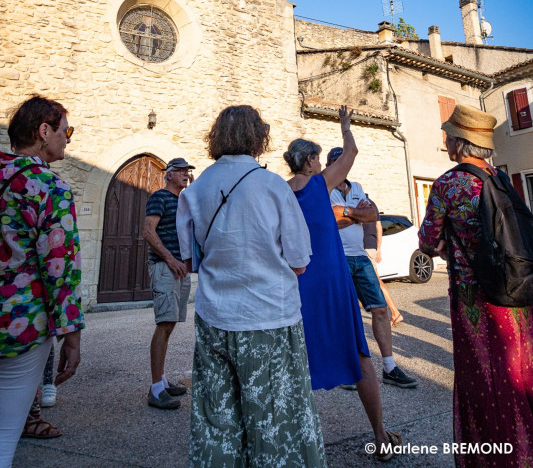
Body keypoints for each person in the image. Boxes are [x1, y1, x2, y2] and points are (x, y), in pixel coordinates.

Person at [177, 105, 326, 468]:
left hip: (215, 318)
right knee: (276, 420)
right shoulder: (272, 186)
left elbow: (189, 259)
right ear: (258, 138)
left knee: (216, 418)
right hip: (269, 318)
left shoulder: (194, 192)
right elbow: (300, 259)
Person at [419, 104, 533, 468]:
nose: (446, 141)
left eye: (449, 136)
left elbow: (427, 239)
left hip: (474, 298)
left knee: (483, 377)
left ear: (460, 143)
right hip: (517, 290)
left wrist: (442, 242)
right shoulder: (499, 179)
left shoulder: (448, 184)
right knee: (519, 371)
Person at [285, 106, 401, 460]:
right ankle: (380, 437)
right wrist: (346, 127)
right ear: (308, 161)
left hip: (297, 283)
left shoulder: (280, 190)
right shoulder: (319, 185)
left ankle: (294, 444)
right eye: (318, 160)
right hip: (332, 282)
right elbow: (350, 153)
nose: (321, 165)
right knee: (360, 354)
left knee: (294, 360)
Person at [0, 96, 84, 468]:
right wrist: (72, 334)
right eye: (66, 130)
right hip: (18, 323)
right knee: (5, 432)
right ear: (44, 131)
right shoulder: (49, 187)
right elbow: (60, 269)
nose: (68, 138)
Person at [326, 150, 417, 390]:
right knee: (345, 313)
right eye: (335, 163)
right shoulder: (323, 188)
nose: (339, 167)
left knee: (379, 309)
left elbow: (372, 215)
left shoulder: (356, 187)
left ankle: (389, 368)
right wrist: (357, 213)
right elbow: (328, 219)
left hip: (360, 258)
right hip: (338, 257)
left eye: (342, 163)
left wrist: (347, 213)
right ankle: (347, 369)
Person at [143, 157, 193, 410]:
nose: (186, 174)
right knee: (164, 324)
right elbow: (148, 231)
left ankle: (161, 380)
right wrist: (171, 259)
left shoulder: (184, 200)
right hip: (165, 268)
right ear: (169, 174)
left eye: (188, 171)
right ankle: (155, 389)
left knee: (170, 323)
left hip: (179, 270)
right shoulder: (160, 197)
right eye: (181, 171)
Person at [363, 218, 403, 327]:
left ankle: (395, 313)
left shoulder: (363, 203)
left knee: (376, 281)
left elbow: (378, 226)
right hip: (368, 246)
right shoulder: (370, 204)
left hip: (364, 247)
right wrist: (378, 248)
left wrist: (378, 248)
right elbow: (378, 226)